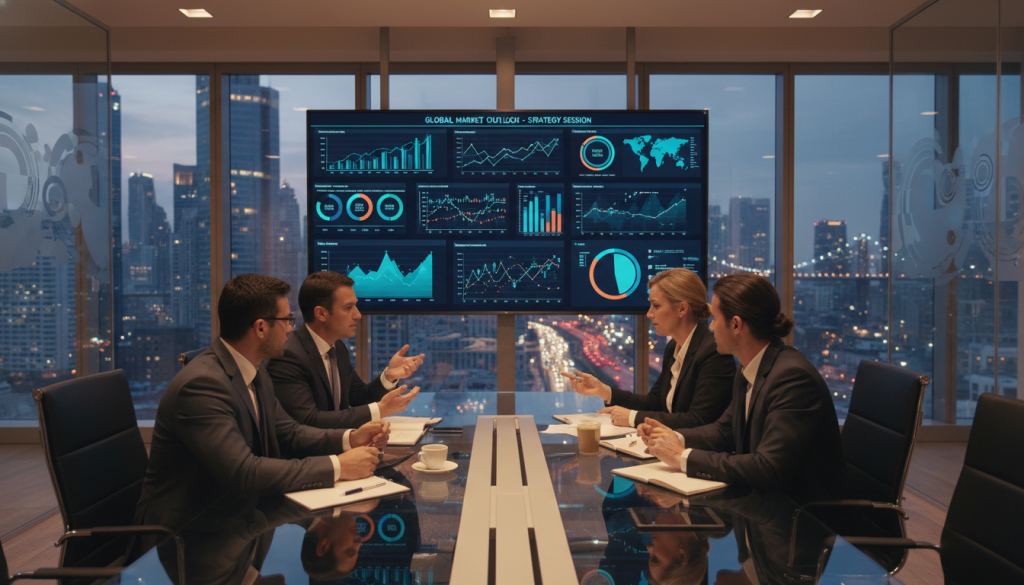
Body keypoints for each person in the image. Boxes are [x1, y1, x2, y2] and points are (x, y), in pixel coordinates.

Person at [135, 274, 389, 532]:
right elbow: (244, 473)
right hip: (188, 535)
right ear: (260, 328)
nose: (291, 329)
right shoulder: (202, 386)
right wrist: (338, 466)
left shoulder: (254, 372)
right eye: (287, 320)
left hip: (239, 519)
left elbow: (289, 432)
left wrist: (351, 438)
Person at [640, 272, 844, 504]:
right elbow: (725, 430)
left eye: (715, 319)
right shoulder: (750, 366)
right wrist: (672, 437)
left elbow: (768, 468)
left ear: (736, 324)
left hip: (799, 514)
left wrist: (682, 457)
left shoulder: (793, 378)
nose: (711, 327)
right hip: (760, 505)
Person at [562, 268, 735, 429]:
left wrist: (632, 418)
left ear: (682, 309)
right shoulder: (674, 347)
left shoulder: (713, 353)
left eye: (656, 306)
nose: (649, 313)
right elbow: (655, 403)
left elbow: (699, 420)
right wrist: (604, 391)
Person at [268, 271, 424, 429]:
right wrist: (380, 410)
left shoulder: (338, 347)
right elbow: (308, 421)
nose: (358, 315)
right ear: (321, 313)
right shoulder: (288, 355)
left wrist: (389, 376)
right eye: (348, 308)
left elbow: (358, 397)